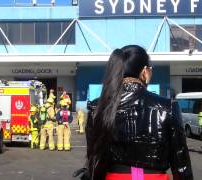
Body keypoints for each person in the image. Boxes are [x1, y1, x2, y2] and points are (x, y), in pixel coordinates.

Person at [82, 45, 193, 180]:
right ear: (145, 72)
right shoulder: (168, 106)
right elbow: (181, 164)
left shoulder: (98, 107)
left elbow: (94, 160)